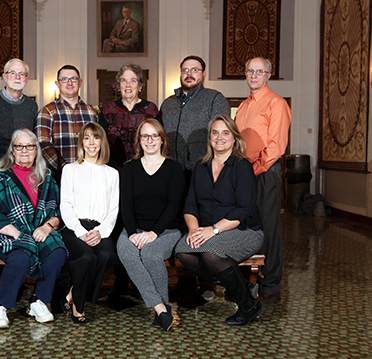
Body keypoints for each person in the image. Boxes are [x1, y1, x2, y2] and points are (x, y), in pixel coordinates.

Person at [174, 115, 264, 326]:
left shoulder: (242, 166)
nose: (220, 137)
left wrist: (212, 231)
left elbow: (243, 210)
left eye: (226, 133)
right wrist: (195, 231)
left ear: (234, 138)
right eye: (215, 132)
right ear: (210, 138)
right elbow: (190, 205)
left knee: (211, 254)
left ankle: (247, 306)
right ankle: (242, 286)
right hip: (206, 230)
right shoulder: (201, 167)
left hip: (244, 230)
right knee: (183, 250)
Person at [0, 129, 67, 329]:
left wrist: (47, 227)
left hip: (39, 232)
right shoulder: (0, 178)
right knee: (21, 257)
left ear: (36, 150)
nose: (25, 150)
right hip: (9, 234)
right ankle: (0, 306)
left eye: (30, 146)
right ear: (13, 151)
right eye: (20, 146)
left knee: (57, 252)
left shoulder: (47, 177)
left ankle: (39, 301)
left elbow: (58, 212)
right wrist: (17, 233)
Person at [117, 119, 185, 331]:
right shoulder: (130, 169)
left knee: (150, 255)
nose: (150, 140)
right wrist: (131, 233)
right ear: (139, 140)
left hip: (166, 230)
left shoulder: (174, 168)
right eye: (145, 136)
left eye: (154, 135)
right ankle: (161, 309)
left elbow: (174, 206)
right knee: (127, 253)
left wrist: (154, 233)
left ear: (162, 139)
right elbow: (125, 205)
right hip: (133, 229)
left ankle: (161, 310)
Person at [235, 57, 291, 306]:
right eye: (250, 71)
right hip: (243, 173)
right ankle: (246, 280)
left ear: (269, 75)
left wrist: (254, 170)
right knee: (244, 225)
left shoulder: (276, 103)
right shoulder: (244, 106)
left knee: (268, 228)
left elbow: (275, 146)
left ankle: (271, 285)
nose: (254, 75)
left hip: (264, 173)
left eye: (260, 71)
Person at [59, 122, 119, 324]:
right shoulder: (70, 169)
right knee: (86, 257)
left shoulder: (112, 174)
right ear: (81, 142)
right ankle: (79, 306)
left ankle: (74, 292)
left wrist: (100, 232)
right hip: (75, 227)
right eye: (86, 137)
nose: (91, 142)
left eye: (96, 137)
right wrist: (79, 231)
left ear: (102, 142)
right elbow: (65, 205)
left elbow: (113, 210)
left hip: (101, 228)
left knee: (107, 254)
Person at [159, 55, 230, 179]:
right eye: (185, 70)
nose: (189, 74)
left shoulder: (215, 99)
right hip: (171, 171)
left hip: (204, 171)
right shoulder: (167, 103)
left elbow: (222, 138)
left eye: (195, 70)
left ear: (204, 74)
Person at [36, 64, 98, 181]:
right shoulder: (47, 112)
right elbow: (43, 145)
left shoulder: (91, 112)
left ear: (80, 82)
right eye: (64, 79)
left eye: (73, 79)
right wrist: (66, 169)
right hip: (58, 177)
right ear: (57, 84)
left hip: (89, 175)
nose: (69, 83)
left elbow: (98, 143)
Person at [99, 63, 158, 170]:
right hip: (113, 169)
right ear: (119, 85)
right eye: (123, 80)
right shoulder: (108, 110)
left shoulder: (150, 110)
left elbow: (158, 141)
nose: (128, 85)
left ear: (140, 86)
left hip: (145, 168)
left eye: (133, 81)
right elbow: (101, 142)